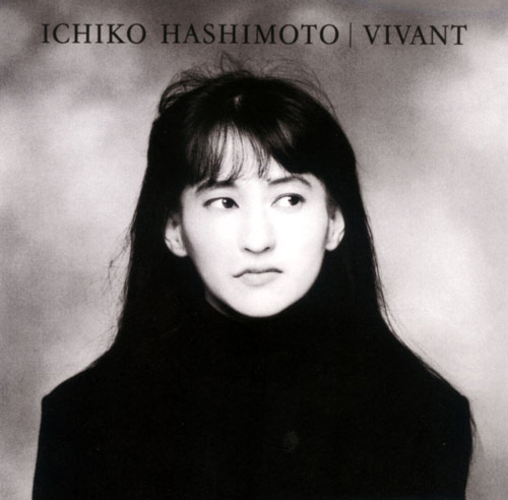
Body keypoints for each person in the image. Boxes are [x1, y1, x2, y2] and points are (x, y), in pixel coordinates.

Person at [33, 62, 473, 499]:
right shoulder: (83, 417)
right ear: (174, 229)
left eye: (289, 199)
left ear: (336, 221)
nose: (258, 240)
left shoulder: (423, 414)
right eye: (224, 202)